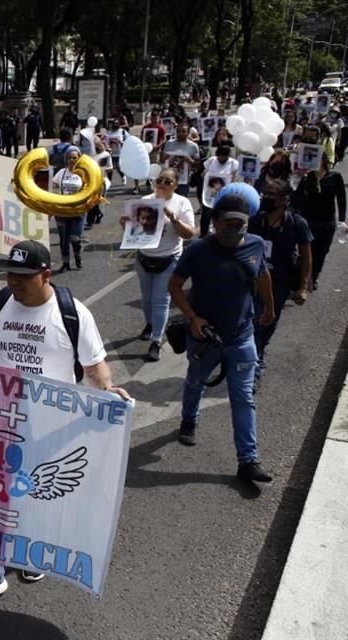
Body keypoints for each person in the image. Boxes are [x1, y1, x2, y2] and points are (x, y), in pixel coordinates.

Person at [0, 240, 129, 609]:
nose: (13, 283)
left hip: (50, 428)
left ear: (46, 275)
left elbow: (95, 367)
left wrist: (109, 389)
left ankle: (32, 556)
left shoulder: (72, 314)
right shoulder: (1, 304)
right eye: (9, 275)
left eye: (22, 276)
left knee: (34, 501)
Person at [168, 194, 275, 484]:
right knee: (195, 381)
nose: (235, 230)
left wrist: (270, 306)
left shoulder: (254, 244)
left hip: (241, 338)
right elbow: (175, 285)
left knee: (243, 398)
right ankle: (189, 420)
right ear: (214, 223)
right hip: (205, 338)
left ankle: (248, 461)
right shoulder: (198, 250)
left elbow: (262, 275)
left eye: (241, 224)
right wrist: (193, 318)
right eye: (228, 224)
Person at [121, 168, 195, 361]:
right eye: (159, 179)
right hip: (144, 258)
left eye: (168, 181)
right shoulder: (145, 201)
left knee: (161, 301)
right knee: (147, 299)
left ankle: (156, 341)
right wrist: (126, 223)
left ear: (175, 185)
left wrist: (172, 216)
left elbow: (189, 233)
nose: (162, 183)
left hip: (168, 259)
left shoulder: (182, 202)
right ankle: (150, 324)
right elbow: (134, 230)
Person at [247, 178, 312, 384]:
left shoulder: (296, 224)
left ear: (284, 200)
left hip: (280, 282)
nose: (265, 198)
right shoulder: (256, 220)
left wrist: (303, 287)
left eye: (271, 195)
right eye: (264, 194)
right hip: (254, 280)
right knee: (254, 320)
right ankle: (254, 363)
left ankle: (258, 352)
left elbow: (306, 256)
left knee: (268, 322)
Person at [293, 154, 345, 289]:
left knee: (321, 251)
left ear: (323, 161)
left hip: (327, 223)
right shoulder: (306, 178)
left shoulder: (335, 177)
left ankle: (314, 276)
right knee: (306, 251)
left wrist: (342, 220)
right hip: (308, 221)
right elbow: (297, 198)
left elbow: (341, 199)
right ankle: (303, 278)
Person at [51, 147, 85, 271]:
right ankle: (65, 263)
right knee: (64, 239)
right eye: (69, 158)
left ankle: (77, 256)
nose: (72, 160)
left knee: (74, 238)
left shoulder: (84, 173)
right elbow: (53, 186)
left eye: (74, 158)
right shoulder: (61, 172)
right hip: (62, 210)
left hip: (77, 211)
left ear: (79, 159)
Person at [200, 145, 239, 236]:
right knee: (206, 214)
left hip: (225, 192)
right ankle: (203, 234)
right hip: (209, 192)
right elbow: (204, 172)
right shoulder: (212, 160)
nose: (222, 158)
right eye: (220, 156)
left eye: (224, 156)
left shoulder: (233, 163)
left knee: (222, 214)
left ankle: (220, 233)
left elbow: (234, 178)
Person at [162, 123, 201, 197]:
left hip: (184, 180)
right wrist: (165, 157)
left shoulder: (193, 146)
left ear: (188, 133)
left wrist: (190, 160)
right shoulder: (169, 143)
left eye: (183, 131)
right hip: (169, 179)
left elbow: (198, 164)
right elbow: (163, 160)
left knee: (182, 201)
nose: (180, 133)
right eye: (178, 131)